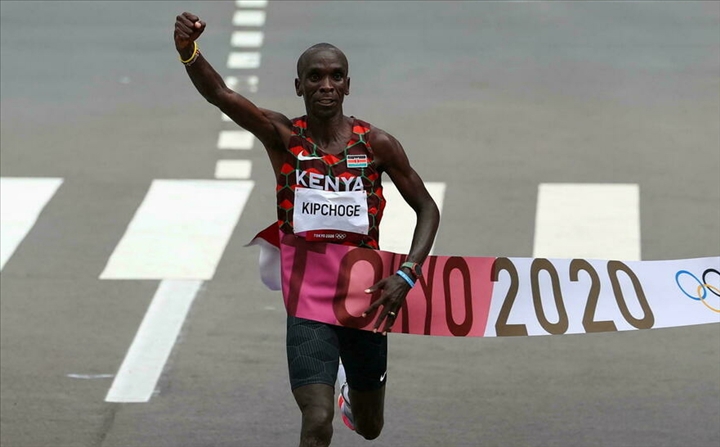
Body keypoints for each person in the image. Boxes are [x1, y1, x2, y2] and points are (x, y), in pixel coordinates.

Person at [174, 12, 440, 447]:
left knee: (371, 427)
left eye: (336, 77)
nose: (326, 86)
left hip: (364, 297)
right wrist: (189, 52)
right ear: (299, 86)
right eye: (314, 77)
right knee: (316, 421)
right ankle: (326, 388)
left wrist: (408, 272)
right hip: (309, 300)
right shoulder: (282, 135)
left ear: (348, 85)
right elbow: (221, 95)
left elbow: (427, 208)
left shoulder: (376, 144)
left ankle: (351, 391)